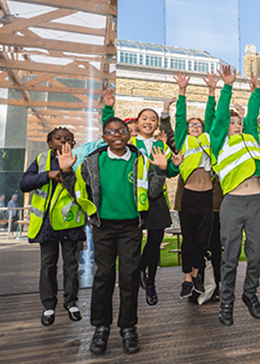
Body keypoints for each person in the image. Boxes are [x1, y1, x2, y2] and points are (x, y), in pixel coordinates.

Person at [59, 117, 168, 355]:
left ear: (129, 135)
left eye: (121, 131)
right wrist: (67, 172)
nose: (116, 135)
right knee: (104, 276)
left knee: (129, 277)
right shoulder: (92, 161)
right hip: (103, 227)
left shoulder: (141, 160)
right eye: (110, 131)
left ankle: (128, 328)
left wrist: (160, 170)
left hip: (131, 227)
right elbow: (78, 193)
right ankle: (101, 328)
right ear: (104, 136)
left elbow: (152, 192)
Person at [101, 88, 176, 307]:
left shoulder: (162, 144)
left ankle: (149, 280)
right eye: (145, 118)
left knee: (155, 242)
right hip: (134, 200)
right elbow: (108, 132)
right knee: (132, 244)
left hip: (157, 200)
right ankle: (134, 278)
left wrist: (175, 165)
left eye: (153, 119)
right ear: (139, 122)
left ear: (156, 125)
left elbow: (169, 172)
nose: (149, 122)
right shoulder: (130, 144)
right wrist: (108, 107)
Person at [211, 65, 260, 326]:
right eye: (232, 122)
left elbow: (253, 115)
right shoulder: (219, 142)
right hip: (233, 203)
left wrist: (256, 92)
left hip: (257, 203)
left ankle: (250, 294)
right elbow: (221, 118)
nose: (235, 125)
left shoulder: (252, 138)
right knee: (230, 258)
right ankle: (226, 303)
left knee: (256, 255)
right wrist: (228, 86)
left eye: (239, 122)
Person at [19, 127, 86, 327]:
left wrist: (67, 175)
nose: (62, 142)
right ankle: (48, 306)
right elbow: (24, 184)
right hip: (47, 224)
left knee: (71, 265)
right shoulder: (40, 161)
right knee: (48, 265)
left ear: (73, 144)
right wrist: (48, 174)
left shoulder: (79, 160)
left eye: (67, 139)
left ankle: (71, 303)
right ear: (50, 143)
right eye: (58, 138)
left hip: (71, 223)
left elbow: (84, 190)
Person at [169, 71, 216, 301]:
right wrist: (182, 91)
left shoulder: (209, 141)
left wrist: (211, 92)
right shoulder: (182, 141)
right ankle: (187, 279)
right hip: (189, 196)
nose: (195, 127)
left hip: (207, 195)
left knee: (202, 241)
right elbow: (180, 117)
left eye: (199, 125)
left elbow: (213, 117)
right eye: (192, 125)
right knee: (188, 239)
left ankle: (196, 276)